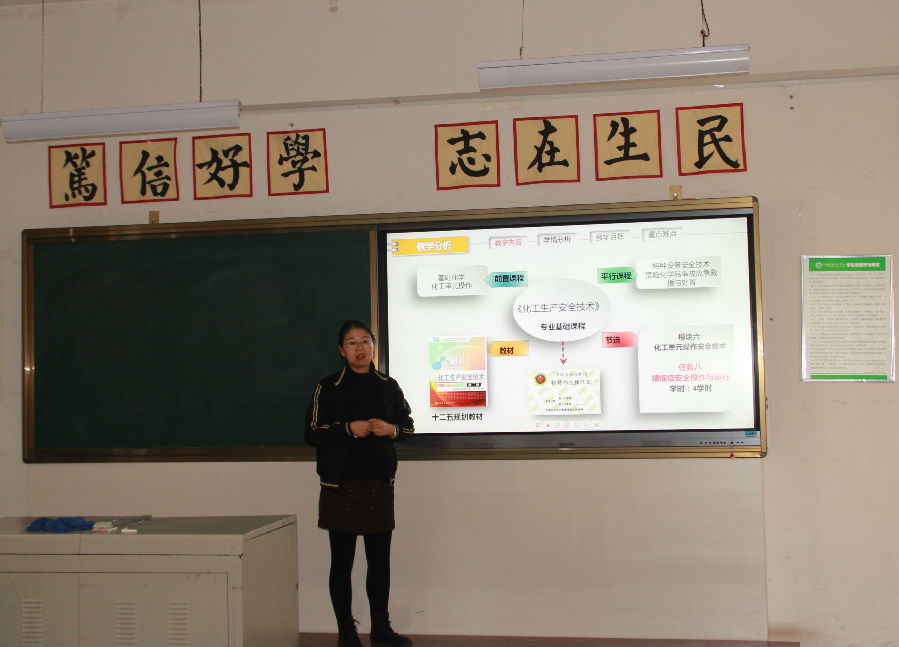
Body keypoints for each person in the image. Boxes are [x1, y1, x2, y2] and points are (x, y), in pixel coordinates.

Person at [305, 320, 415, 647]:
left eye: (365, 341)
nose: (360, 348)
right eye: (352, 343)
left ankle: (381, 628)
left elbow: (408, 428)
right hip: (340, 486)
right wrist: (348, 429)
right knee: (342, 562)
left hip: (379, 483)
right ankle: (346, 631)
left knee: (379, 562)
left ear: (373, 346)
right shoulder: (329, 387)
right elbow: (312, 433)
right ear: (342, 350)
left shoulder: (388, 386)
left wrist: (392, 430)